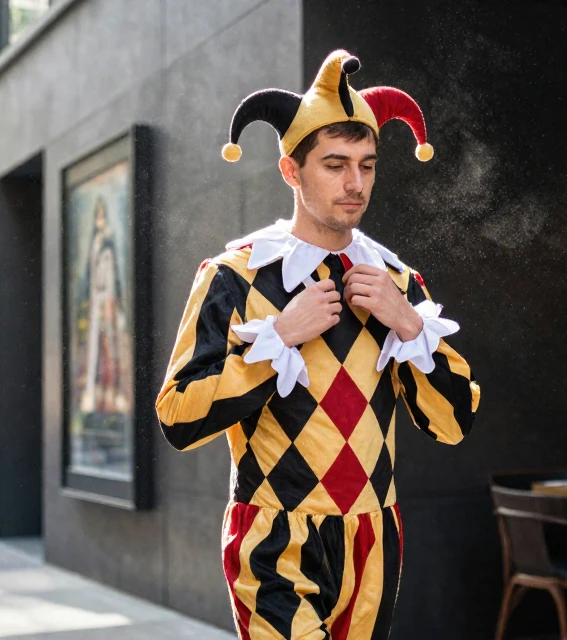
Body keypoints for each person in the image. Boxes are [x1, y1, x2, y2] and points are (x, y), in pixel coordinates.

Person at [156, 50, 481, 640]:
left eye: (367, 165)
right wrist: (279, 336)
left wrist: (407, 322)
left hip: (373, 540)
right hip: (275, 538)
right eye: (335, 165)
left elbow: (456, 420)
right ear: (291, 171)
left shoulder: (396, 281)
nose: (355, 184)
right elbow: (177, 416)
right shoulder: (236, 276)